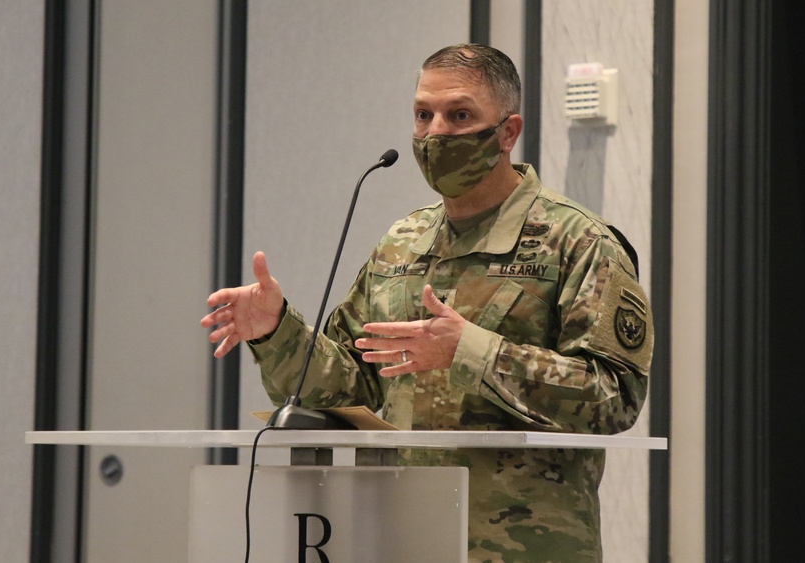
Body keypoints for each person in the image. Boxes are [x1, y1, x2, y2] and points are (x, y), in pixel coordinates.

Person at [200, 44, 653, 562]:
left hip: (526, 549)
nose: (436, 132)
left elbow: (614, 398)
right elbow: (352, 382)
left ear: (508, 132)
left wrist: (471, 352)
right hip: (400, 538)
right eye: (423, 115)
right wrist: (276, 331)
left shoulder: (579, 242)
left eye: (460, 115)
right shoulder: (403, 241)